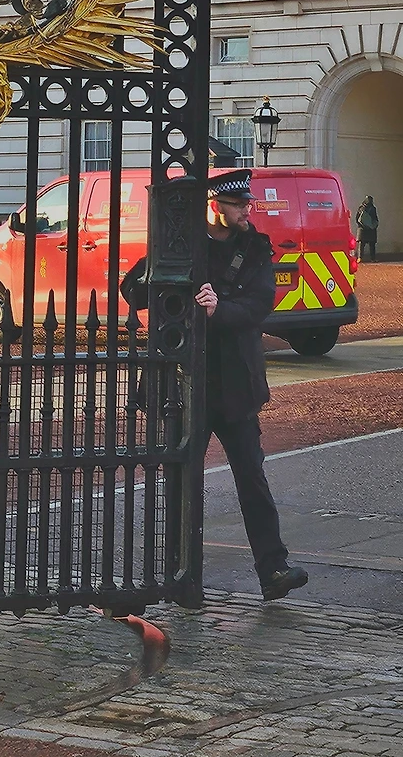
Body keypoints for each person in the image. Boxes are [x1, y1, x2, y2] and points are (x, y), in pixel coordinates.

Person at [122, 169, 309, 602]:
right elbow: (132, 291)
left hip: (235, 382)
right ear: (213, 206)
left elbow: (260, 303)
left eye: (247, 204)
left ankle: (273, 569)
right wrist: (170, 277)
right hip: (183, 382)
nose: (247, 210)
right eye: (238, 205)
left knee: (252, 477)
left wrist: (217, 309)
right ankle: (177, 574)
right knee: (180, 479)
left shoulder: (255, 247)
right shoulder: (179, 244)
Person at [355, 194, 379, 262]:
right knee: (364, 244)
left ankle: (366, 258)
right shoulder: (366, 208)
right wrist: (373, 225)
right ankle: (365, 258)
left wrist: (361, 225)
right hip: (366, 229)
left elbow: (357, 218)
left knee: (367, 244)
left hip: (365, 229)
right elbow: (375, 218)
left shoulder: (364, 208)